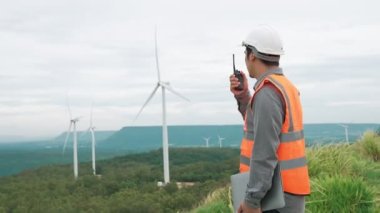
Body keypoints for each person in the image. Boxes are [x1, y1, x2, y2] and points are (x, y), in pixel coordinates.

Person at [229, 26, 310, 213]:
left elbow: (264, 153)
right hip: (285, 193)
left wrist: (251, 201)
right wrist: (243, 97)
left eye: (245, 53)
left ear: (252, 56)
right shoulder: (283, 87)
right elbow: (261, 126)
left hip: (275, 198)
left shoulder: (267, 93)